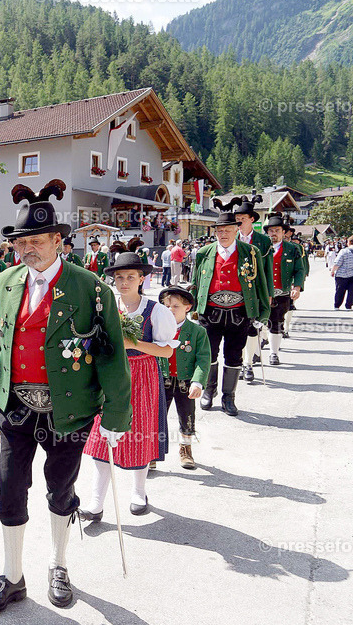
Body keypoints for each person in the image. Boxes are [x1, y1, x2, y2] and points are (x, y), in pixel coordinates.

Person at [0, 182, 131, 614]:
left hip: (69, 409)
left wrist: (117, 416)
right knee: (10, 490)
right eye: (21, 241)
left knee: (60, 490)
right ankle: (12, 577)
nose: (28, 248)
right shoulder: (6, 280)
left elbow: (111, 354)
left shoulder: (90, 288)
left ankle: (58, 565)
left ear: (58, 241)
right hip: (15, 407)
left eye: (37, 241)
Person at [80, 252, 175, 517]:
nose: (124, 282)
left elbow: (166, 351)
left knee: (139, 433)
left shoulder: (156, 310)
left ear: (142, 279)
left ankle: (138, 491)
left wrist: (134, 344)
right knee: (102, 437)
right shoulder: (107, 306)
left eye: (130, 277)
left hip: (142, 373)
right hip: (109, 374)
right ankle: (96, 502)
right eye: (119, 277)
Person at [192, 200, 271, 417]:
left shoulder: (251, 252)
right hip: (211, 314)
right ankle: (209, 391)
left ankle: (229, 396)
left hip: (239, 314)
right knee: (208, 354)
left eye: (228, 229)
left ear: (237, 230)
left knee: (234, 356)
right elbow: (195, 283)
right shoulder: (204, 253)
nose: (223, 234)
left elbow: (261, 285)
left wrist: (262, 314)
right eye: (219, 230)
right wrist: (192, 309)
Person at [157, 286, 211, 470]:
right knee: (157, 417)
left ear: (187, 307)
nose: (170, 310)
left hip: (185, 383)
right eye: (167, 306)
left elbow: (203, 359)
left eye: (175, 306)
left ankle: (185, 449)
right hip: (161, 381)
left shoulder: (197, 332)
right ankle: (153, 452)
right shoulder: (158, 329)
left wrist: (198, 382)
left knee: (187, 416)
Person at [233, 196, 273, 383]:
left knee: (251, 330)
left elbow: (268, 270)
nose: (239, 220)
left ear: (251, 219)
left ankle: (248, 364)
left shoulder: (263, 241)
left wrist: (269, 295)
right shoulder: (230, 236)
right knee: (235, 331)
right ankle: (239, 363)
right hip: (233, 293)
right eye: (237, 216)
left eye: (243, 217)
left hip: (255, 293)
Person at [262, 215, 305, 365]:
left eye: (277, 230)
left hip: (282, 293)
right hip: (262, 293)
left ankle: (274, 353)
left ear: (284, 232)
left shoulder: (293, 248)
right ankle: (253, 353)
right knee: (256, 324)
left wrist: (297, 287)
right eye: (271, 230)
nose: (273, 233)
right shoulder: (260, 247)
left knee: (277, 322)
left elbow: (300, 270)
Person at [331, 237, 353, 310]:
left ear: (349, 242)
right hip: (352, 275)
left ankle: (337, 306)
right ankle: (348, 306)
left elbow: (337, 263)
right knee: (351, 291)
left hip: (341, 275)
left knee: (340, 291)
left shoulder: (344, 251)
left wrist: (332, 271)